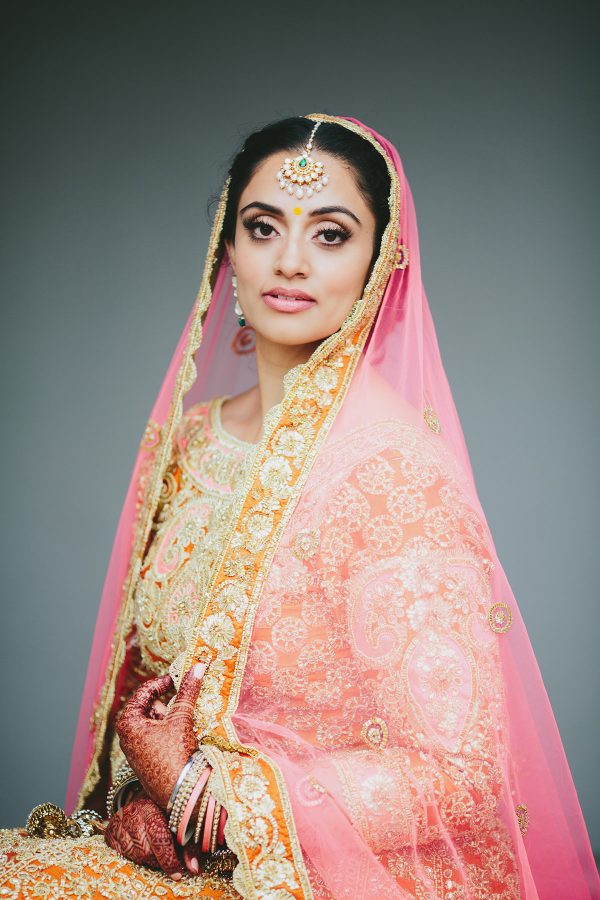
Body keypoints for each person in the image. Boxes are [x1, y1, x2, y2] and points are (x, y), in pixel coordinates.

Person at [0, 113, 598, 900]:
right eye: (262, 226)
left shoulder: (389, 472)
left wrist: (203, 799)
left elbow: (457, 770)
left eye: (330, 234)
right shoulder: (195, 440)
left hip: (328, 879)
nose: (289, 261)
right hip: (180, 857)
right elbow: (153, 693)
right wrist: (144, 801)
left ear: (380, 263)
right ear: (229, 249)